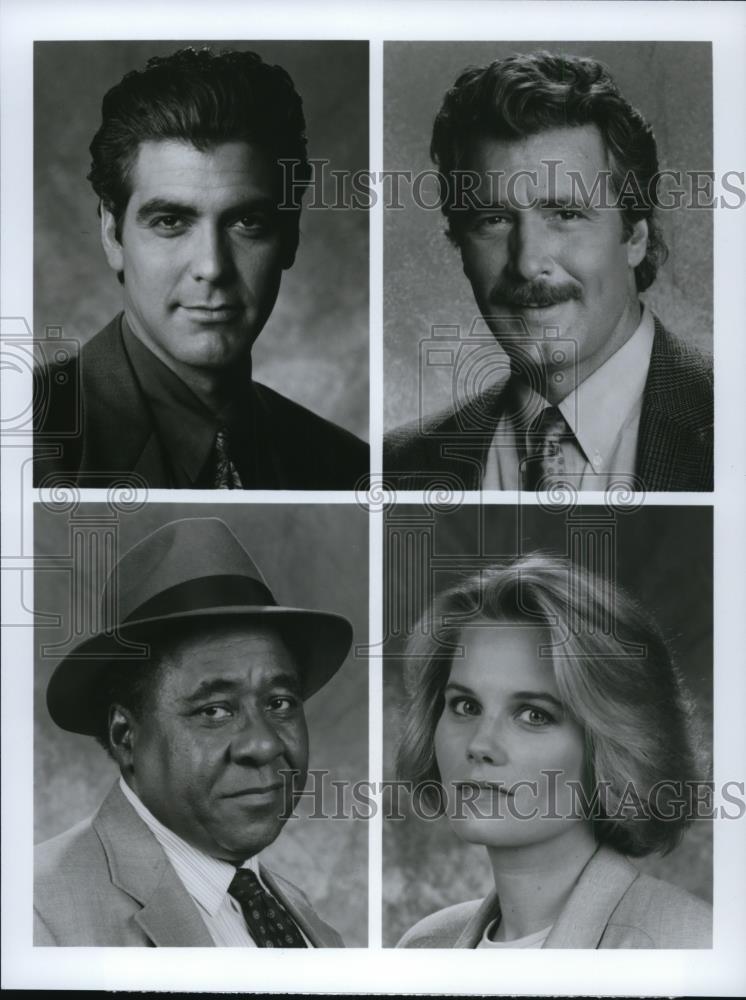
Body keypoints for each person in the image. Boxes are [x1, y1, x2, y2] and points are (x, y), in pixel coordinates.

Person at [33, 47, 368, 490]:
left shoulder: (346, 469)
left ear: (291, 235)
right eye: (171, 222)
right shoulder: (21, 440)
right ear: (112, 234)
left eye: (248, 222)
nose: (212, 267)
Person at [384, 51, 712, 492]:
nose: (527, 262)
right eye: (493, 220)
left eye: (566, 214)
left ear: (634, 236)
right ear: (459, 242)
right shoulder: (397, 466)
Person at [34, 516, 354, 946]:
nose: (263, 743)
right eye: (215, 710)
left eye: (279, 703)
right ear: (125, 735)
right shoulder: (33, 915)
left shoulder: (304, 923)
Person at [395, 555, 712, 948]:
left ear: (613, 747)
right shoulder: (425, 947)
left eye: (533, 715)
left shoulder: (690, 944)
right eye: (466, 706)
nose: (479, 745)